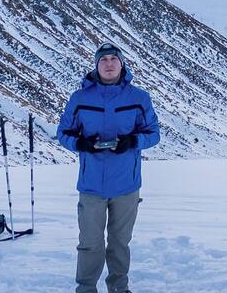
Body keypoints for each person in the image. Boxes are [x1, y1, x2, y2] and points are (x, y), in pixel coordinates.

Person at [56, 42, 159, 293]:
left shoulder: (139, 98)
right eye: (104, 60)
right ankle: (86, 289)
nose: (109, 64)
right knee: (90, 243)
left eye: (114, 59)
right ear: (96, 65)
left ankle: (119, 288)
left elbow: (154, 134)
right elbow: (63, 133)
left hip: (126, 185)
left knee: (120, 242)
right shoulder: (80, 99)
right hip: (91, 185)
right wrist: (80, 143)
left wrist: (133, 141)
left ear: (122, 64)